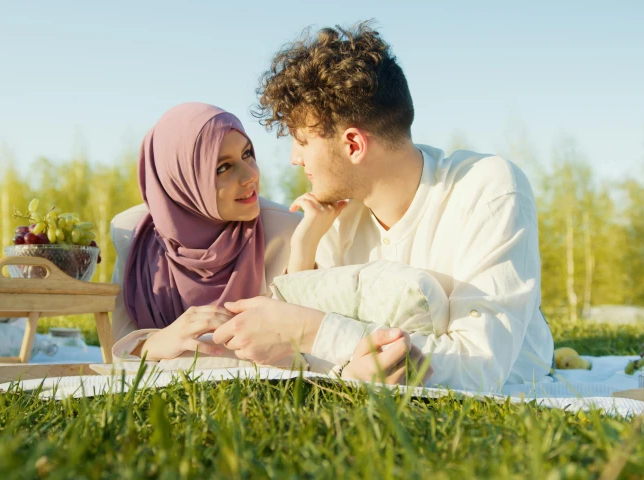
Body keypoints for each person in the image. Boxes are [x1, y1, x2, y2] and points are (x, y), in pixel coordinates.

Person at [210, 22, 554, 392]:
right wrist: (304, 247)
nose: (295, 158)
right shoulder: (335, 218)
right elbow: (304, 354)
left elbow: (478, 367)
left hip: (520, 380)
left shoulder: (487, 188)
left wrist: (311, 330)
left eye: (302, 141)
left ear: (354, 145)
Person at [109, 102, 426, 383]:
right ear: (180, 181)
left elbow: (307, 358)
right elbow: (115, 354)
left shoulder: (281, 228)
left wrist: (303, 247)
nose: (250, 175)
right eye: (223, 167)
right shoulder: (134, 239)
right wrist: (158, 341)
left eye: (247, 154)